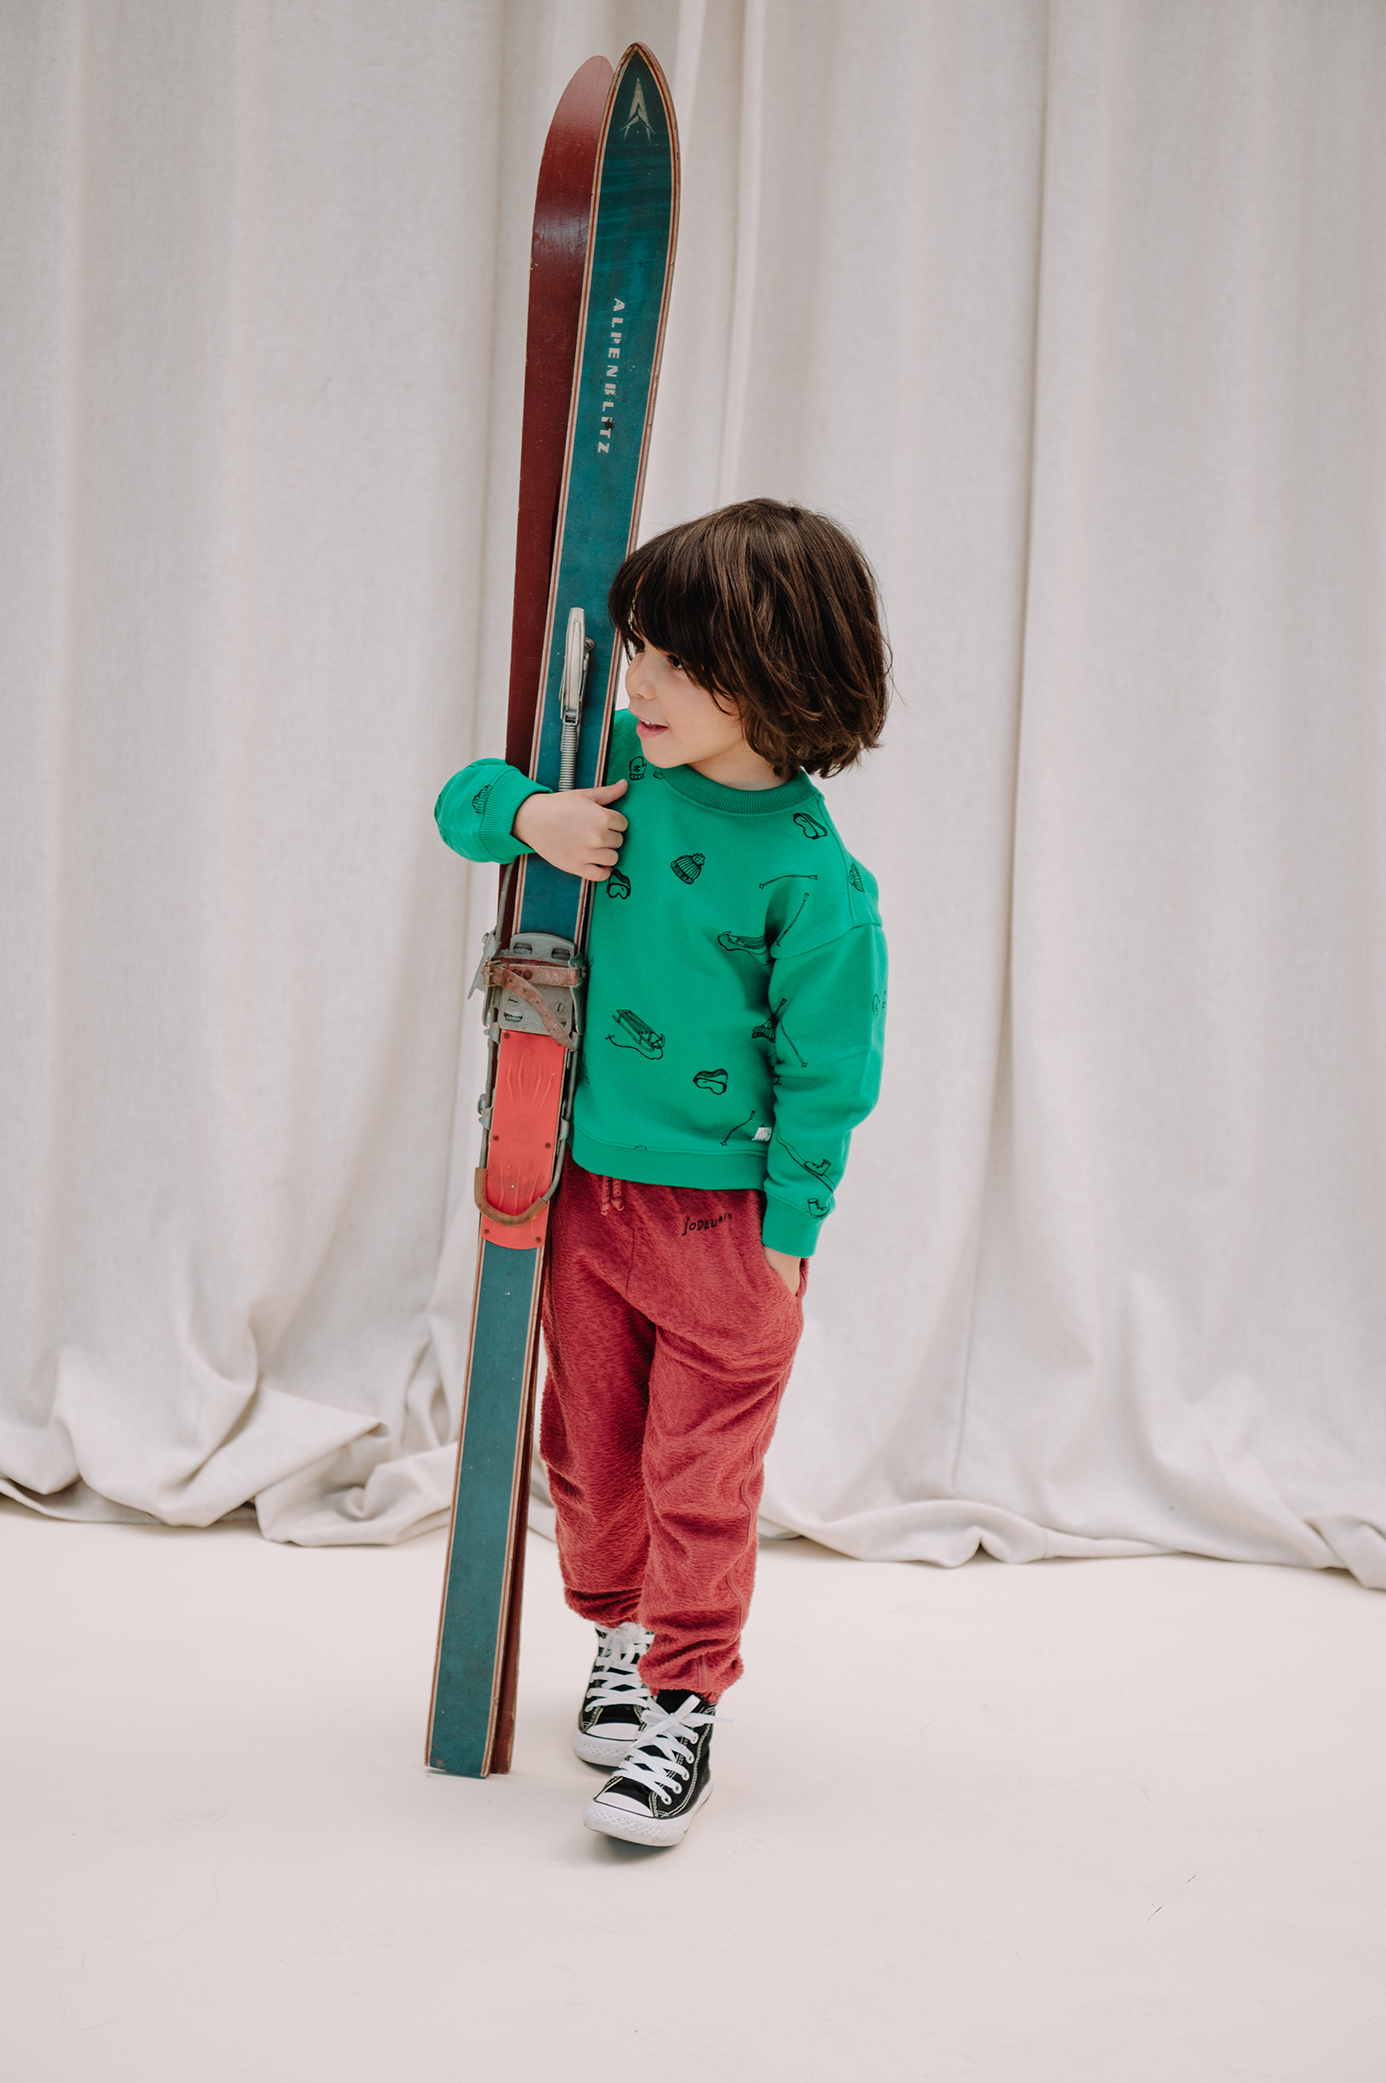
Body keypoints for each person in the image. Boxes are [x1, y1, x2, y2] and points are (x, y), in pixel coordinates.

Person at [434, 498, 889, 1847]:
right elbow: (462, 805)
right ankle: (617, 1640)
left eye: (681, 662)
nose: (642, 682)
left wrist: (790, 1232)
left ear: (782, 671)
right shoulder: (613, 777)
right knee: (588, 1452)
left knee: (701, 1474)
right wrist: (535, 817)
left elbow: (829, 1074)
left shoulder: (816, 881)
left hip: (726, 1227)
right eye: (640, 649)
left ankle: (685, 1704)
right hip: (583, 1196)